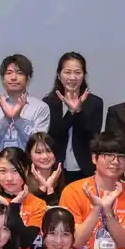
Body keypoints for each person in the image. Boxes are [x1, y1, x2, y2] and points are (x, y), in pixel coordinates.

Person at [59, 131, 125, 249]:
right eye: (109, 155)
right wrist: (96, 209)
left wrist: (108, 212)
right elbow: (76, 242)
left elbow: (124, 242)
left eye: (121, 156)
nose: (115, 161)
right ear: (94, 158)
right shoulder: (73, 191)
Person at [45, 52, 104, 180]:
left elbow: (92, 137)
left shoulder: (95, 102)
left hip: (85, 168)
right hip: (56, 169)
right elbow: (53, 135)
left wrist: (78, 111)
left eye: (78, 72)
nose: (72, 77)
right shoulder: (49, 102)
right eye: (67, 72)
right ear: (59, 75)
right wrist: (71, 112)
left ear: (84, 75)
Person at [0, 54, 50, 158]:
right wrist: (6, 119)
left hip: (28, 162)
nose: (13, 78)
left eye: (19, 73)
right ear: (2, 78)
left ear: (28, 78)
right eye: (9, 73)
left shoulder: (40, 107)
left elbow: (38, 143)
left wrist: (17, 119)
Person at [0, 148, 49, 239]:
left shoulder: (38, 204)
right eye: (3, 171)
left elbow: (27, 241)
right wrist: (3, 207)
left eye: (15, 171)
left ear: (26, 171)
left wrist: (11, 207)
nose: (9, 178)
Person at [24, 132, 65, 205]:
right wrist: (42, 188)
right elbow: (31, 209)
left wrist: (50, 188)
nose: (45, 156)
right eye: (38, 152)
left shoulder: (64, 177)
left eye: (49, 151)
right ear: (30, 155)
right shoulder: (23, 180)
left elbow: (58, 211)